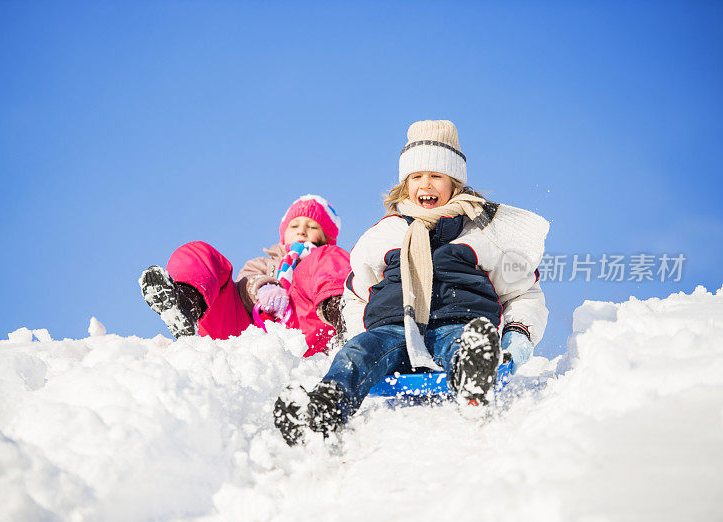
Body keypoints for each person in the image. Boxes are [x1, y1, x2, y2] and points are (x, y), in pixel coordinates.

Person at [273, 120, 549, 446]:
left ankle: (474, 379)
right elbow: (355, 294)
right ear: (406, 184)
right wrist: (359, 331)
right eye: (417, 176)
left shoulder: (480, 232)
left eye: (436, 175)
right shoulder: (384, 233)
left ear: (454, 182)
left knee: (465, 341)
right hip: (394, 328)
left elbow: (523, 290)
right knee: (358, 352)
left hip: (458, 321)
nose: (426, 184)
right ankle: (325, 406)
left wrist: (517, 336)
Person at [140, 194, 350, 357]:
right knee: (202, 253)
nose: (302, 231)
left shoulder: (326, 257)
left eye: (312, 226)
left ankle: (341, 312)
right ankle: (186, 300)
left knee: (326, 259)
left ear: (326, 237)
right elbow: (244, 283)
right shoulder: (262, 263)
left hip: (307, 331)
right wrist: (262, 287)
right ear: (283, 232)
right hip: (247, 332)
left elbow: (334, 270)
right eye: (295, 225)